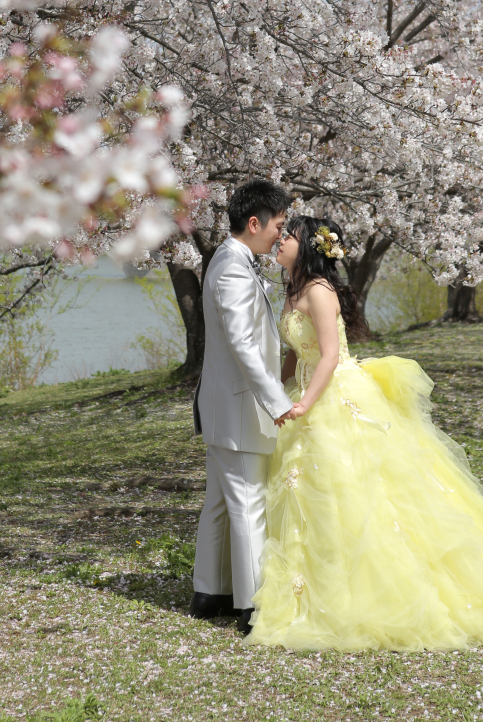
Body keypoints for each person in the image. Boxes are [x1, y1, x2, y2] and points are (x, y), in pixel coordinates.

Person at [247, 214, 483, 651]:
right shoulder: (293, 291)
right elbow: (297, 354)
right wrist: (277, 391)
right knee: (313, 490)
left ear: (308, 245)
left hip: (336, 395)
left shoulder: (319, 290)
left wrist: (306, 403)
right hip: (305, 395)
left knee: (359, 487)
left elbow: (329, 355)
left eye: (288, 236)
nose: (280, 241)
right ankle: (312, 588)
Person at [190, 179, 295, 636]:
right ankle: (253, 607)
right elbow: (242, 344)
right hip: (239, 410)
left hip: (224, 408)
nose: (281, 234)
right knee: (248, 506)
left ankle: (209, 593)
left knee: (219, 504)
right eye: (278, 225)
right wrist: (277, 401)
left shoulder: (226, 259)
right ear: (254, 223)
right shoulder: (233, 268)